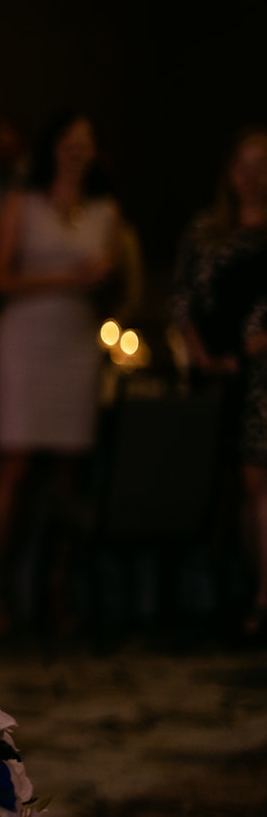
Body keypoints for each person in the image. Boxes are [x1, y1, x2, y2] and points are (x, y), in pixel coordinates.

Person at [0, 110, 124, 635]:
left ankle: (54, 593)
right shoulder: (23, 201)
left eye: (87, 143)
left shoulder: (105, 212)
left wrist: (105, 280)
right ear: (53, 147)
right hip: (26, 342)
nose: (77, 150)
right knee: (15, 468)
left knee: (68, 474)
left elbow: (113, 288)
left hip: (77, 344)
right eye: (70, 140)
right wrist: (66, 276)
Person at [172, 126, 267, 637]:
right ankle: (224, 596)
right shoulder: (207, 229)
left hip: (262, 377)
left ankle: (261, 596)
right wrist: (206, 357)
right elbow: (183, 296)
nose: (251, 176)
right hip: (215, 373)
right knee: (222, 486)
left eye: (261, 164)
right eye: (242, 163)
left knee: (258, 481)